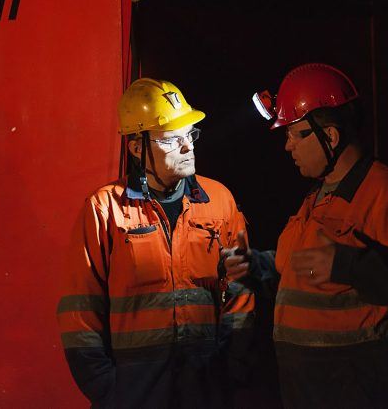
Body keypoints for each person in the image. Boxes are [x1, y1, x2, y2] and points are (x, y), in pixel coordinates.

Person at [226, 63, 388, 409]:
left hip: (361, 388)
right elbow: (304, 269)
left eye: (295, 134)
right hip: (309, 389)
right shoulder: (317, 197)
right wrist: (258, 266)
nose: (287, 147)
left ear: (329, 136)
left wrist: (351, 265)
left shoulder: (385, 193)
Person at [57, 78, 254, 408]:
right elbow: (80, 312)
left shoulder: (219, 201)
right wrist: (109, 391)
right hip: (135, 394)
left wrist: (231, 374)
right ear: (137, 147)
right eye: (172, 139)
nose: (188, 147)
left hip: (206, 390)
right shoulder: (105, 210)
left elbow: (241, 292)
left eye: (190, 135)